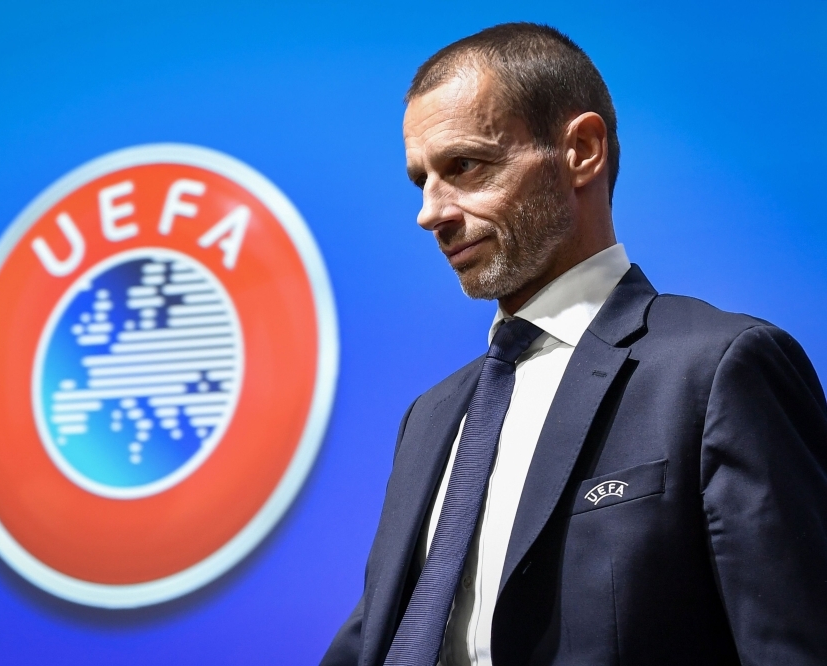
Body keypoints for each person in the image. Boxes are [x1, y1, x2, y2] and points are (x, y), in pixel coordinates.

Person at [321, 22, 827, 666]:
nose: (431, 212)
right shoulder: (430, 417)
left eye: (465, 166)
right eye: (421, 179)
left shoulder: (718, 369)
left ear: (582, 150)